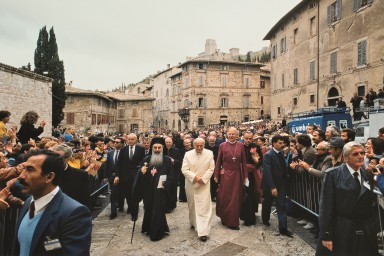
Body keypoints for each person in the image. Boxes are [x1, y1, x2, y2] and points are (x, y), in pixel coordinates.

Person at [12, 149, 92, 255]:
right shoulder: (27, 203)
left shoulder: (73, 213)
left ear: (49, 177)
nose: (21, 176)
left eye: (30, 170)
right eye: (24, 169)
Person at [317, 142, 378, 255]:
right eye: (355, 154)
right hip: (342, 229)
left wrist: (372, 228)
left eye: (362, 153)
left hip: (364, 229)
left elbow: (372, 204)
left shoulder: (367, 175)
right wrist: (326, 235)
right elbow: (326, 207)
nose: (360, 156)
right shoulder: (333, 175)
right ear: (345, 158)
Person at [132, 138, 175, 241]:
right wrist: (141, 171)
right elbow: (138, 169)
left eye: (159, 147)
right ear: (152, 148)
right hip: (148, 190)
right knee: (149, 209)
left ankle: (156, 233)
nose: (156, 149)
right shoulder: (146, 159)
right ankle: (148, 228)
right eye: (155, 147)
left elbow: (172, 176)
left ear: (162, 148)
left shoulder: (167, 160)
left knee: (158, 210)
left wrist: (167, 183)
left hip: (161, 190)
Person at [213, 127, 248, 230]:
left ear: (237, 135)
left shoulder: (241, 145)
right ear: (227, 134)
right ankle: (224, 217)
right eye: (230, 134)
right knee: (225, 197)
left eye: (234, 134)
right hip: (225, 175)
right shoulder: (222, 146)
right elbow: (218, 161)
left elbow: (244, 162)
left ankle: (233, 222)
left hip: (237, 175)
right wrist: (216, 175)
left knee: (235, 199)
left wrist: (245, 176)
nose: (232, 135)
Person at [181, 138, 215, 242]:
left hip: (204, 184)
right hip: (191, 184)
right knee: (192, 206)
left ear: (204, 145)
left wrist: (203, 179)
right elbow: (184, 169)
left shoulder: (209, 153)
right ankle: (193, 222)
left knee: (204, 208)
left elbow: (211, 168)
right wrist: (195, 177)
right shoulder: (188, 154)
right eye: (197, 146)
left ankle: (203, 232)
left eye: (201, 146)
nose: (199, 148)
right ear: (193, 145)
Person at [261, 135, 293, 237]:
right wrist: (272, 187)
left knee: (281, 205)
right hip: (270, 185)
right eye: (280, 143)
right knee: (267, 202)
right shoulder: (268, 155)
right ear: (274, 143)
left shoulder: (282, 153)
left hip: (281, 184)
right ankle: (265, 219)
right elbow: (267, 172)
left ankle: (283, 228)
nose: (282, 145)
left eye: (283, 143)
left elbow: (283, 168)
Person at [52, 144, 91, 209]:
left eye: (58, 158)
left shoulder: (81, 175)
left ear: (68, 158)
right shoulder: (46, 173)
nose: (54, 160)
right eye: (52, 157)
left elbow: (85, 199)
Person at [115, 133, 145, 213]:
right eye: (129, 139)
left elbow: (143, 161)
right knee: (127, 192)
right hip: (125, 175)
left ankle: (134, 207)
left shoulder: (141, 149)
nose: (130, 141)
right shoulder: (123, 149)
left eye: (132, 139)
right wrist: (117, 175)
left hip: (136, 175)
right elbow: (119, 163)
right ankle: (130, 206)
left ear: (136, 140)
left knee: (136, 191)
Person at [240, 131, 262, 226]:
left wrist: (257, 161)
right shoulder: (240, 146)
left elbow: (261, 161)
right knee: (242, 194)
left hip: (252, 175)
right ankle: (243, 215)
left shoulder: (256, 147)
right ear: (243, 138)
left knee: (251, 195)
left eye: (250, 138)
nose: (248, 140)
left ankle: (250, 217)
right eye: (246, 138)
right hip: (241, 173)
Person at [103, 137, 124, 219]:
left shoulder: (124, 153)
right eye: (114, 142)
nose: (115, 143)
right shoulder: (110, 153)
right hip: (112, 176)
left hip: (122, 176)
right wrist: (105, 176)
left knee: (121, 192)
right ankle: (113, 211)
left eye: (117, 142)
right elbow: (106, 165)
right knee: (113, 194)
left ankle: (121, 205)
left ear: (121, 144)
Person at [163, 137, 181, 212]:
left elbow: (180, 161)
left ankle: (171, 205)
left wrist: (173, 161)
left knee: (172, 190)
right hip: (164, 173)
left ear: (172, 143)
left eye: (169, 142)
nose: (168, 144)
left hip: (173, 173)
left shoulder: (177, 151)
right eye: (166, 142)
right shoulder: (162, 150)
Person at [205, 135, 219, 201]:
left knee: (215, 182)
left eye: (213, 141)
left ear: (215, 141)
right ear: (208, 141)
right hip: (207, 167)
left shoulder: (218, 147)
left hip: (216, 166)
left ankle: (214, 196)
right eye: (210, 141)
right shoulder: (205, 147)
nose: (211, 142)